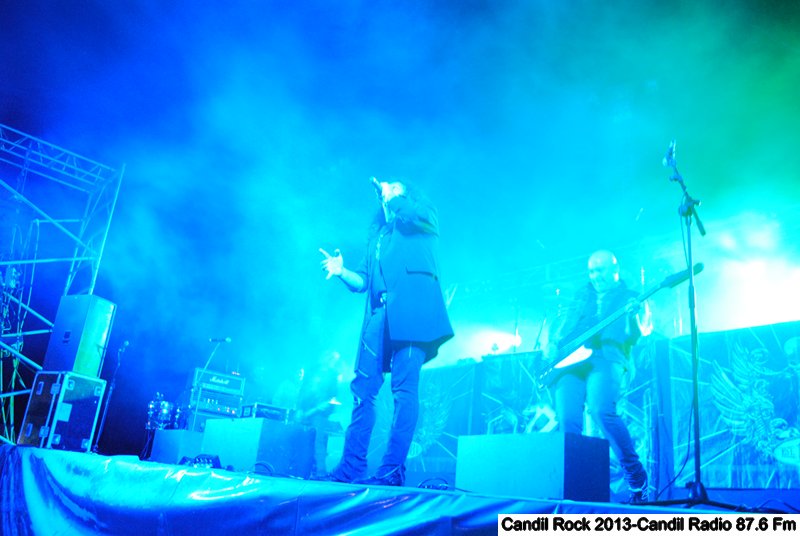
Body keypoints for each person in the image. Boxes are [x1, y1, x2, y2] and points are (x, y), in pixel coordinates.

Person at [318, 177, 454, 486]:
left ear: (405, 195)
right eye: (386, 188)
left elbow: (415, 213)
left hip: (412, 313)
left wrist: (392, 196)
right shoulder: (379, 237)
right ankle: (350, 467)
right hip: (379, 316)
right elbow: (363, 282)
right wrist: (341, 272)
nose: (387, 190)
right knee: (362, 390)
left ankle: (392, 470)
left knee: (404, 391)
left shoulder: (421, 220)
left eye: (395, 187)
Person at [546, 249, 652, 503]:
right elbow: (564, 329)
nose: (595, 276)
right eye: (592, 271)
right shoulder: (581, 296)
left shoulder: (631, 297)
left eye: (600, 270)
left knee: (601, 410)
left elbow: (641, 333)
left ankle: (636, 476)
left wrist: (634, 317)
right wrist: (552, 345)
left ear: (615, 270)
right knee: (567, 420)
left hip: (608, 357)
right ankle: (573, 483)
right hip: (571, 362)